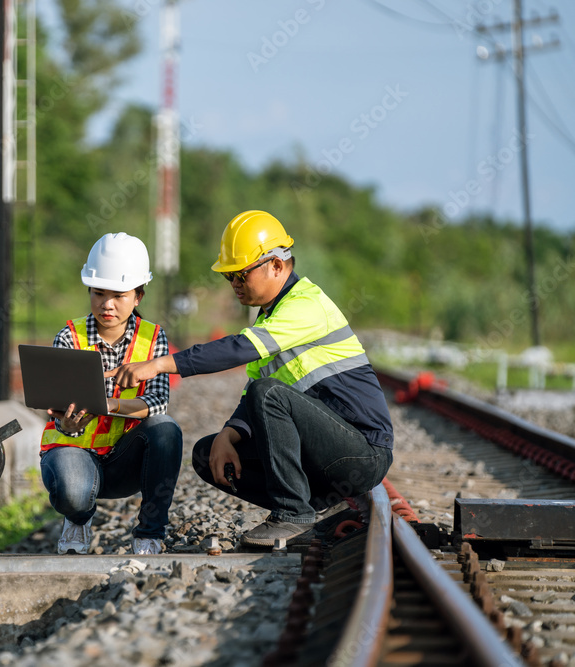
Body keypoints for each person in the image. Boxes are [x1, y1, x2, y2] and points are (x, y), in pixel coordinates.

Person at [108, 211, 393, 547]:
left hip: (362, 452)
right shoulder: (272, 315)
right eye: (229, 278)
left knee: (269, 393)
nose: (234, 286)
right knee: (208, 453)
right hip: (323, 454)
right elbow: (251, 394)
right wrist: (230, 433)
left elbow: (238, 349)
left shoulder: (306, 305)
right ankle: (305, 508)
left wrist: (159, 364)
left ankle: (293, 516)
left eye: (241, 275)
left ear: (275, 265)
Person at [41, 232, 183, 556]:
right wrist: (68, 424)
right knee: (74, 494)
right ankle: (77, 519)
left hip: (124, 462)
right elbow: (56, 405)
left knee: (167, 430)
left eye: (118, 295)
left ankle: (149, 534)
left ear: (138, 296)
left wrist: (108, 406)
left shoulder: (153, 338)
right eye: (98, 292)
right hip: (73, 450)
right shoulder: (69, 337)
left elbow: (157, 402)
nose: (107, 304)